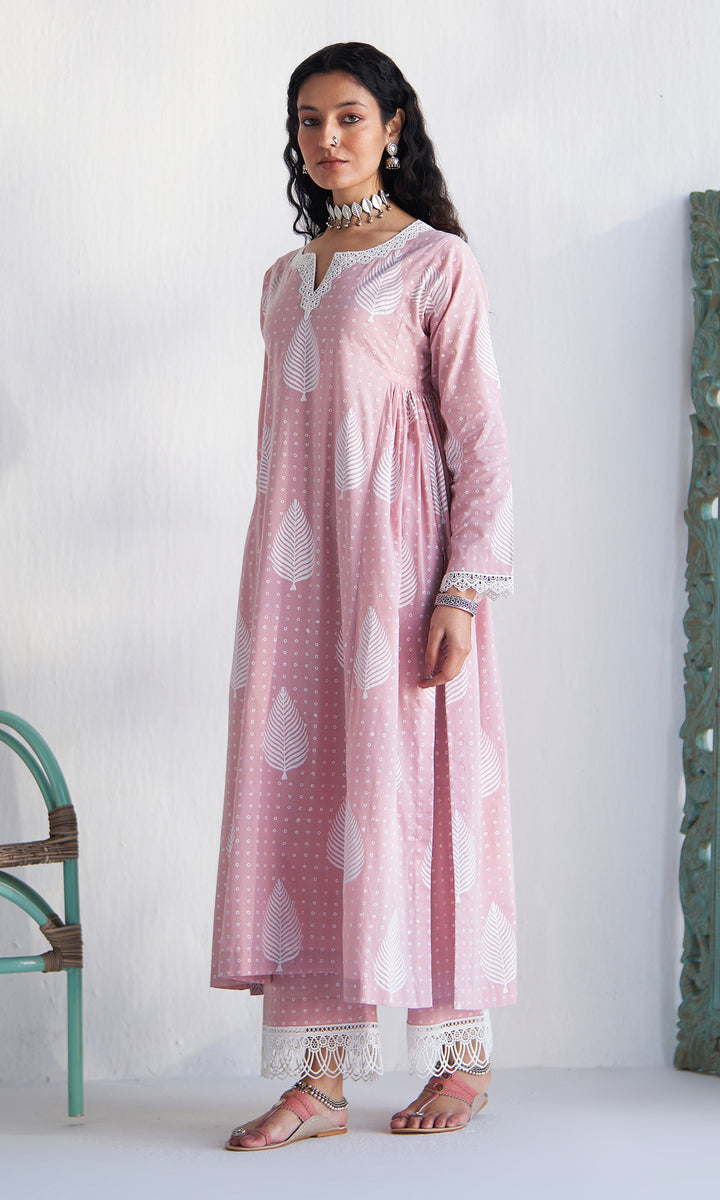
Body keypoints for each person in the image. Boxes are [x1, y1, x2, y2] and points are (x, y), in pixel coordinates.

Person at [211, 41, 516, 1150]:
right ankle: (322, 1081)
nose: (327, 138)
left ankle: (461, 1060)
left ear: (393, 127)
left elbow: (480, 438)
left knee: (417, 793)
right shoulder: (283, 279)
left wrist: (462, 591)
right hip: (296, 578)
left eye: (348, 116)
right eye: (308, 121)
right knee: (304, 798)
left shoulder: (437, 263)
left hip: (399, 572)